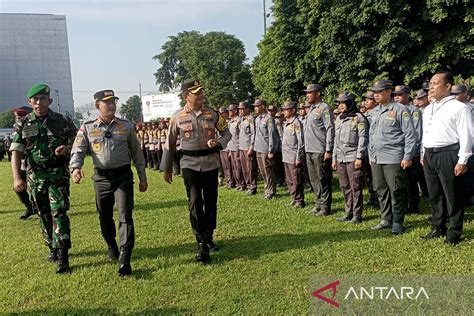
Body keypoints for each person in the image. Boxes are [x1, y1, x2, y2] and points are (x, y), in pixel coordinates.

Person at [70, 89, 148, 276]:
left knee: (125, 215)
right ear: (98, 106)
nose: (112, 105)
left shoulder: (126, 126)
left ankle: (125, 256)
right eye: (107, 102)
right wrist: (75, 168)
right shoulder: (88, 127)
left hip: (123, 176)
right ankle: (112, 245)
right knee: (104, 216)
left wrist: (142, 176)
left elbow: (137, 153)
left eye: (113, 102)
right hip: (101, 178)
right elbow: (78, 149)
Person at [160, 79, 231, 263]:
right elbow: (169, 143)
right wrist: (167, 168)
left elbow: (227, 133)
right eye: (196, 93)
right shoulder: (177, 117)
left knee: (211, 200)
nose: (201, 95)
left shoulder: (212, 114)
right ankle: (200, 240)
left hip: (210, 162)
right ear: (186, 96)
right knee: (194, 200)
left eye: (201, 92)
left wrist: (219, 143)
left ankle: (209, 234)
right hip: (189, 163)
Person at [10, 83, 77, 273]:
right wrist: (17, 178)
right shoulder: (22, 124)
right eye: (36, 99)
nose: (39, 102)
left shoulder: (62, 121)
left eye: (43, 99)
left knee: (59, 211)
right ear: (30, 102)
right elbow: (16, 152)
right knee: (43, 213)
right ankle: (52, 246)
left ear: (50, 101)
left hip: (57, 174)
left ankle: (63, 254)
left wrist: (67, 148)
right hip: (35, 176)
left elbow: (78, 140)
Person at [420, 73, 472, 245]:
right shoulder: (428, 109)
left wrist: (462, 160)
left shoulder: (459, 107)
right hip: (430, 154)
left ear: (448, 86)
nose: (431, 87)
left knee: (452, 194)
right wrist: (423, 153)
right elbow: (425, 133)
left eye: (436, 83)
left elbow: (467, 135)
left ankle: (455, 231)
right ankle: (438, 226)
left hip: (448, 153)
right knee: (434, 193)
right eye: (430, 83)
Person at [368, 80, 416, 235]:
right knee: (380, 189)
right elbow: (371, 135)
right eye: (374, 92)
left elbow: (410, 135)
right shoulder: (374, 111)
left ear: (389, 92)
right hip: (376, 158)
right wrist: (370, 154)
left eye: (379, 91)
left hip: (393, 157)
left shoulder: (399, 109)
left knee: (396, 190)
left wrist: (407, 156)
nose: (376, 94)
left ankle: (397, 222)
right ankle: (385, 218)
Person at [332, 92, 368, 224]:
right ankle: (348, 212)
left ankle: (357, 215)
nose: (340, 106)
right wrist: (334, 158)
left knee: (355, 186)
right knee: (344, 186)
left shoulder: (359, 118)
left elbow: (363, 138)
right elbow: (336, 140)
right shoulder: (339, 118)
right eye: (339, 103)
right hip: (341, 157)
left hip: (353, 156)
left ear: (350, 103)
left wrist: (359, 157)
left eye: (343, 103)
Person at [393, 85, 427, 212]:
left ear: (407, 95)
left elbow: (417, 133)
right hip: (397, 151)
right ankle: (402, 203)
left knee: (411, 180)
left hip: (411, 152)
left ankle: (413, 205)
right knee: (400, 180)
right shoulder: (393, 110)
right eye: (395, 95)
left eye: (399, 95)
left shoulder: (414, 111)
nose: (396, 97)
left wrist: (412, 152)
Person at [303, 84, 335, 216]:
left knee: (323, 179)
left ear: (318, 94)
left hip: (320, 149)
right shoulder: (310, 109)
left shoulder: (324, 108)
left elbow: (330, 128)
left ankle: (325, 206)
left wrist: (328, 149)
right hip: (309, 150)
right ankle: (318, 204)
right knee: (314, 179)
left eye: (310, 92)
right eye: (307, 92)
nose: (307, 95)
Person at [252, 99, 279, 200]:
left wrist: (271, 150)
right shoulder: (257, 119)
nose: (255, 108)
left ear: (262, 106)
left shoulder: (269, 118)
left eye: (256, 106)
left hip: (266, 149)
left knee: (268, 170)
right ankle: (267, 189)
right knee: (262, 171)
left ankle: (271, 191)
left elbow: (272, 135)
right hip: (258, 148)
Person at [10, 108, 34, 219]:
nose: (17, 119)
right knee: (18, 187)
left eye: (19, 117)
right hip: (21, 162)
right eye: (16, 117)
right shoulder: (15, 128)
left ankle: (39, 207)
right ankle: (30, 207)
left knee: (36, 187)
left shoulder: (30, 126)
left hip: (33, 161)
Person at [281, 101, 305, 208]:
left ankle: (299, 200)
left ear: (293, 110)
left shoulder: (296, 123)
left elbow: (301, 141)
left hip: (294, 156)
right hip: (286, 156)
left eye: (286, 110)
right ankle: (294, 198)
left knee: (296, 179)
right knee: (290, 179)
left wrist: (299, 157)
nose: (284, 112)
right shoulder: (286, 122)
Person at [361, 91, 379, 207]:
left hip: (376, 150)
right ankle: (373, 197)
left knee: (376, 177)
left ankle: (378, 199)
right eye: (365, 99)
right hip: (366, 149)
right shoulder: (364, 115)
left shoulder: (378, 114)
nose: (366, 101)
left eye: (369, 99)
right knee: (368, 176)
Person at [238, 101, 258, 195]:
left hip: (248, 147)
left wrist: (251, 147)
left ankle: (252, 186)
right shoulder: (242, 119)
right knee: (244, 168)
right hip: (241, 147)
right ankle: (248, 184)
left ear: (247, 109)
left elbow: (253, 133)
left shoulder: (251, 119)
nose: (240, 111)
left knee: (250, 168)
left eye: (242, 109)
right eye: (240, 109)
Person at [227, 104, 245, 190]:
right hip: (232, 147)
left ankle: (242, 184)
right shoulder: (231, 121)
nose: (229, 112)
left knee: (239, 167)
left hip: (237, 146)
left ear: (235, 111)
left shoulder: (239, 121)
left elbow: (242, 135)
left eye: (230, 110)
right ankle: (238, 184)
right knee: (234, 167)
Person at [218, 106, 234, 188]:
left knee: (232, 166)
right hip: (222, 147)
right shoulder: (219, 123)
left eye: (222, 113)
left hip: (230, 147)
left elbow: (232, 135)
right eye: (220, 113)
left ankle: (232, 182)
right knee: (225, 166)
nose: (221, 115)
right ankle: (228, 181)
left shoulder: (231, 122)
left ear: (226, 113)